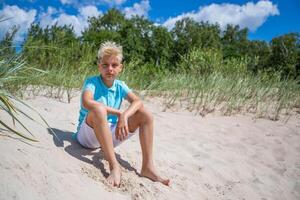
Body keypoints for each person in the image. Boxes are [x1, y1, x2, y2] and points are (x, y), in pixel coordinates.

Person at [74, 41, 170, 187]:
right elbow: (86, 102)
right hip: (87, 135)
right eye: (105, 65)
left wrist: (124, 116)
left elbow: (138, 101)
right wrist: (119, 112)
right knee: (99, 109)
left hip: (109, 133)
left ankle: (148, 167)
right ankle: (114, 166)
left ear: (120, 68)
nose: (109, 69)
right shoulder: (92, 82)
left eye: (114, 65)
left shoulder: (120, 85)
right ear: (99, 65)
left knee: (145, 114)